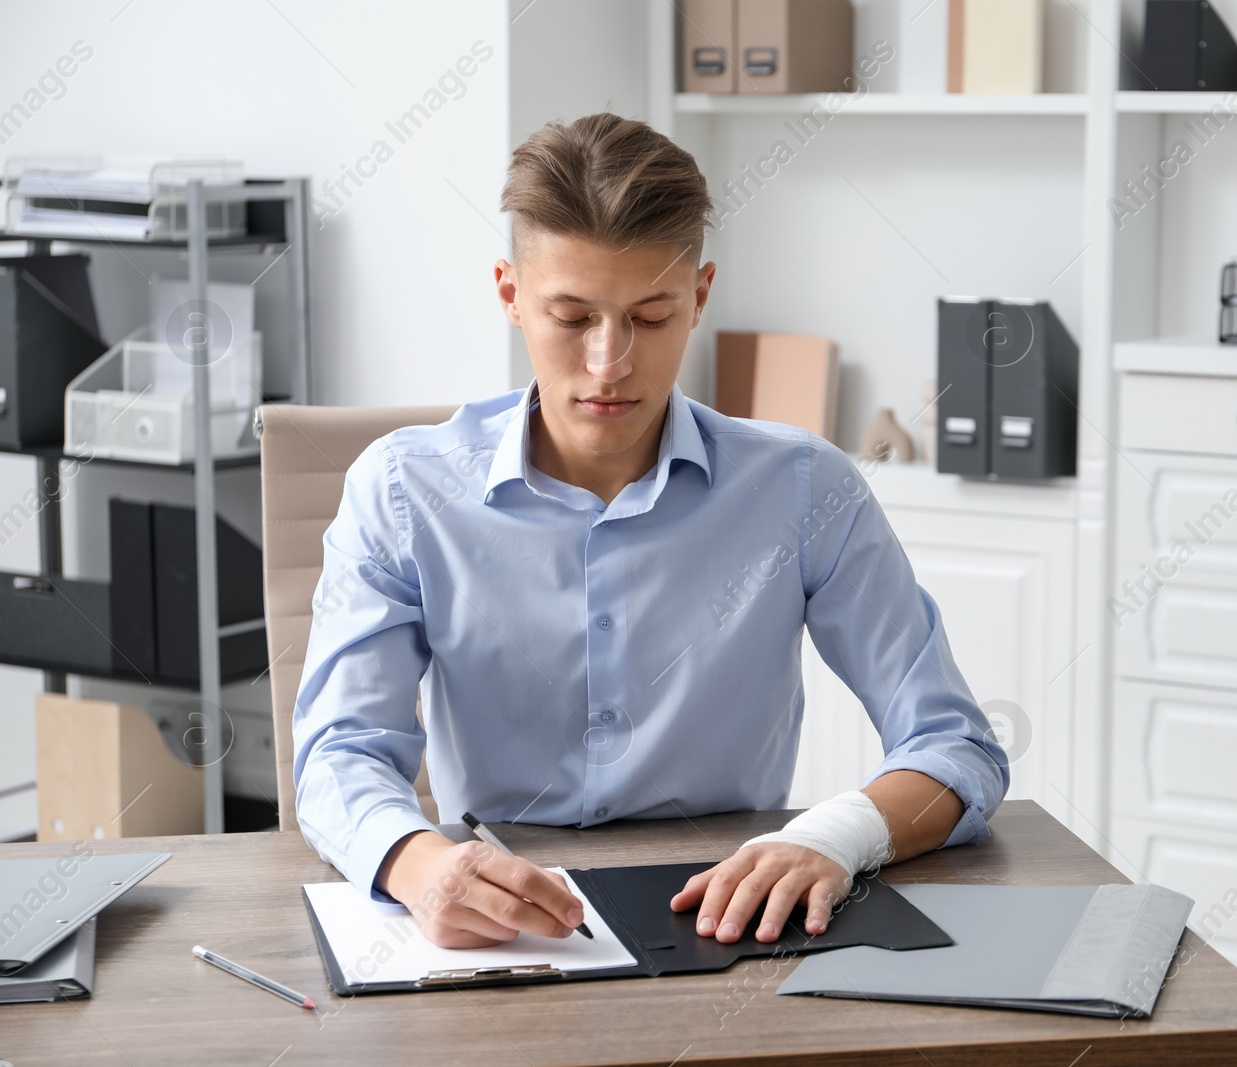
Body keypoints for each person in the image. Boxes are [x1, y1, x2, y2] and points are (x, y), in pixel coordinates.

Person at [292, 111, 1008, 950]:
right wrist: (420, 867)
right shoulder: (402, 488)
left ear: (699, 295)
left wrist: (831, 838)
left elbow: (956, 745)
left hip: (730, 923)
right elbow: (341, 751)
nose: (609, 362)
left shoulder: (807, 488)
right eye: (571, 317)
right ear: (510, 295)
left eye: (652, 315)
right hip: (501, 930)